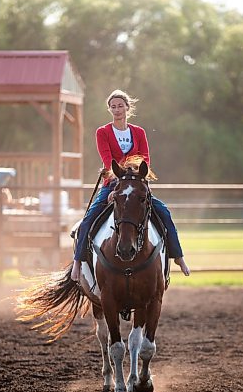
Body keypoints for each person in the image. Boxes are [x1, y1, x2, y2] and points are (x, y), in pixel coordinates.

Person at [71, 89, 190, 281]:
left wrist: (135, 179)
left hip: (136, 184)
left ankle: (178, 257)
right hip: (113, 184)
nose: (117, 110)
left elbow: (145, 160)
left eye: (120, 106)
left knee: (164, 213)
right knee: (88, 220)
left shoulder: (139, 132)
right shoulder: (102, 132)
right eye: (113, 107)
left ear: (128, 107)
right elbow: (108, 159)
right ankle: (77, 263)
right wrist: (118, 185)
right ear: (109, 109)